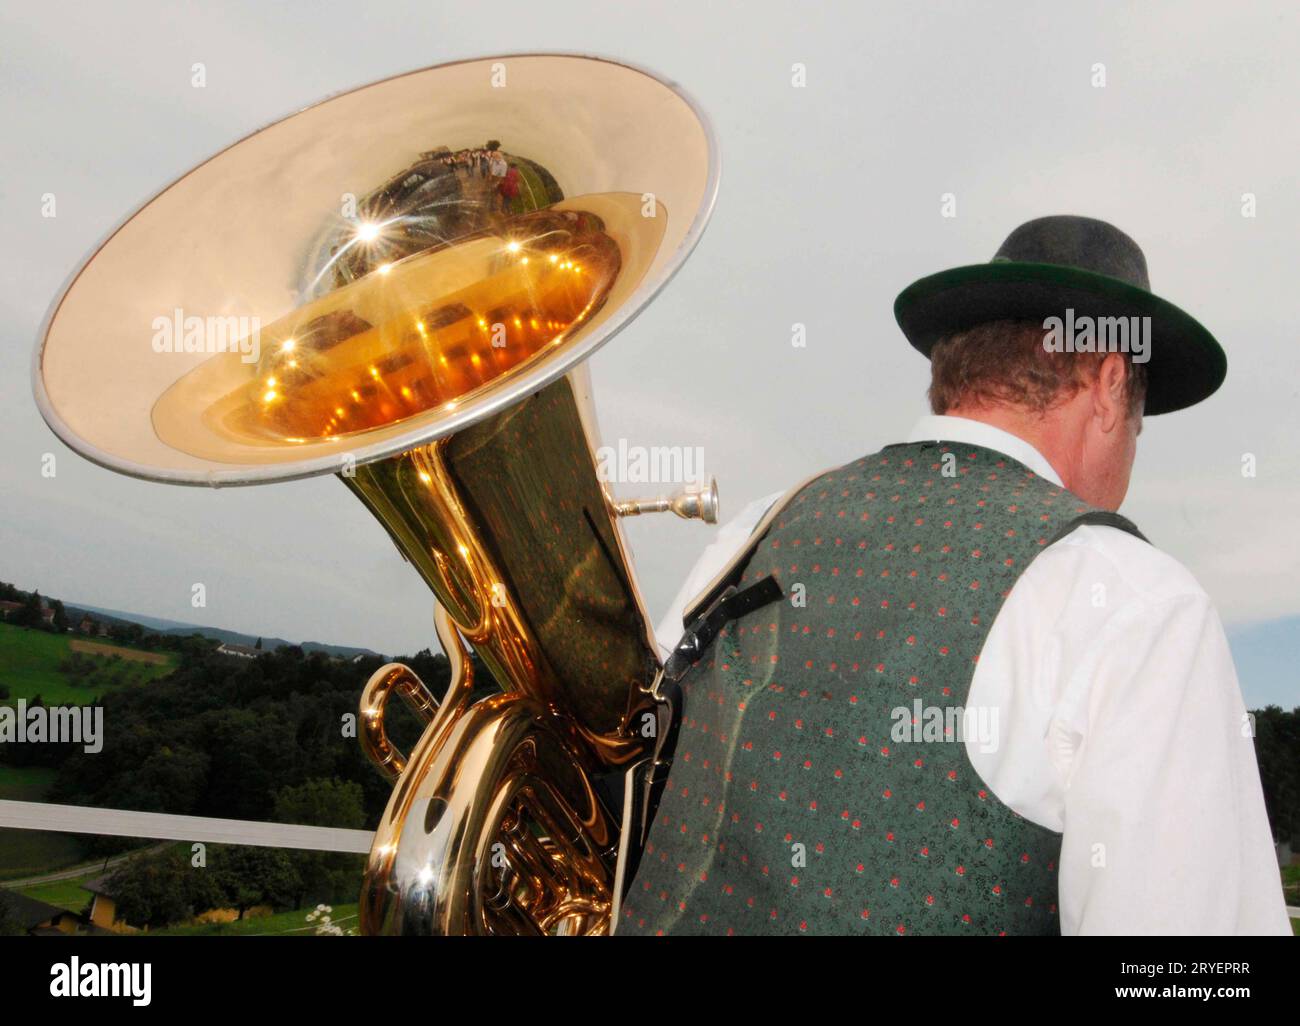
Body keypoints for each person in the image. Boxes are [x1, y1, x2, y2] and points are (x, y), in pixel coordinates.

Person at [618, 215, 1290, 936]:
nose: (1133, 448)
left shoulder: (752, 533)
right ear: (1108, 384)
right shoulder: (1139, 604)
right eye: (1139, 421)